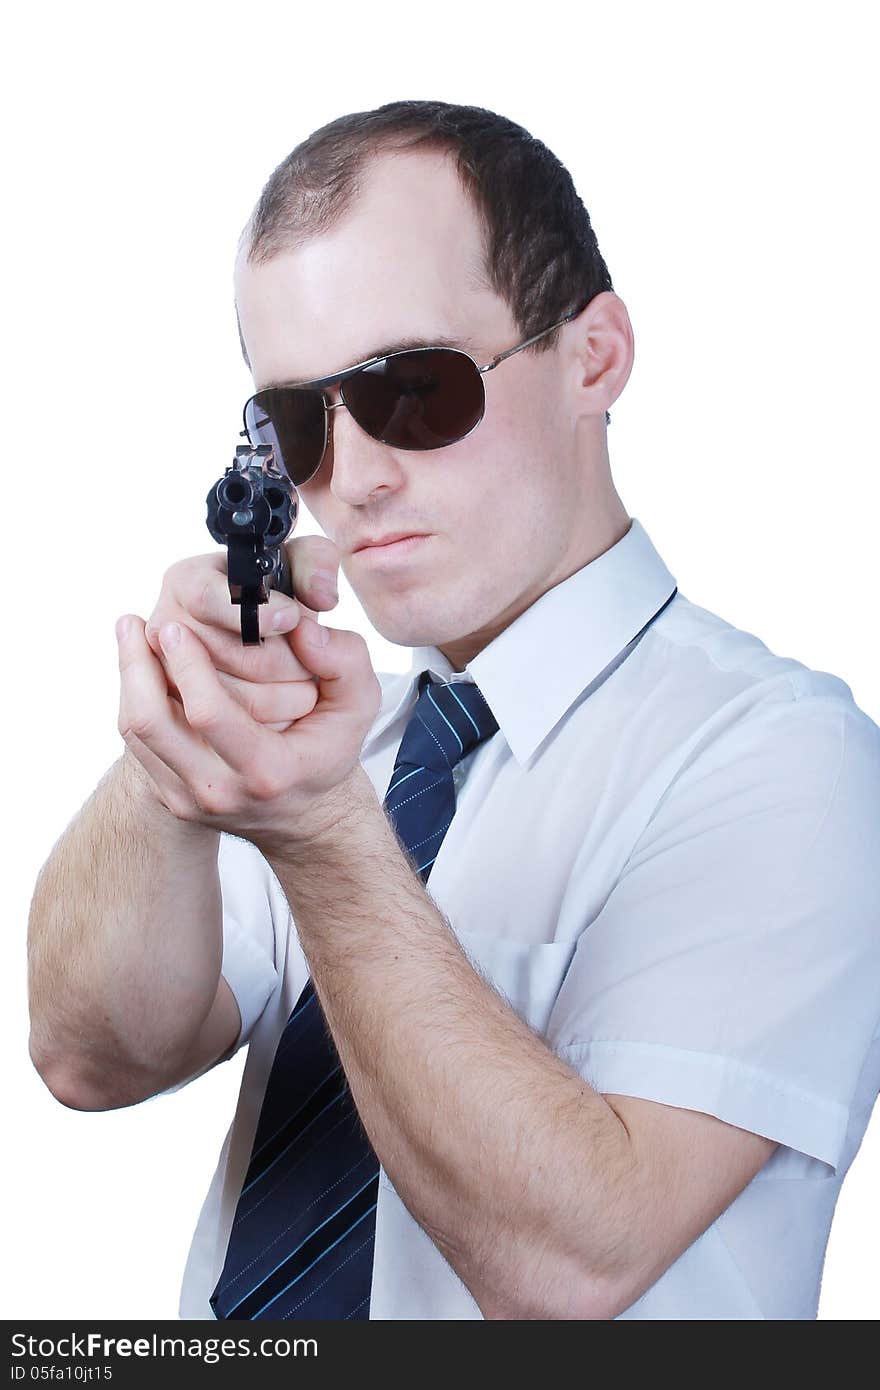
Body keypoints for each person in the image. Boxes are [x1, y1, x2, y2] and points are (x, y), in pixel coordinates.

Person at [27, 100, 880, 1322]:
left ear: (594, 356)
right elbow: (90, 1056)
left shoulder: (789, 763)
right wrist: (177, 745)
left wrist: (318, 834)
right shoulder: (336, 738)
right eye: (298, 423)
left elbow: (571, 1265)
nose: (355, 479)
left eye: (412, 390)